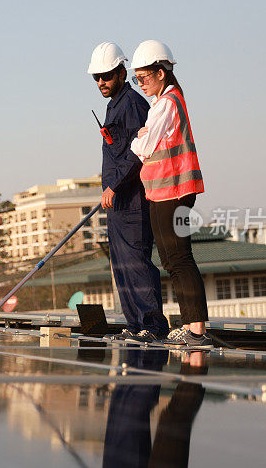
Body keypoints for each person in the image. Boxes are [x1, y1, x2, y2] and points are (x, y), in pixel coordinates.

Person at [128, 40, 211, 347]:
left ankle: (196, 329)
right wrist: (144, 137)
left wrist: (140, 139)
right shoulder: (167, 102)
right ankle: (192, 326)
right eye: (137, 78)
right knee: (173, 260)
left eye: (144, 78)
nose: (141, 84)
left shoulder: (165, 104)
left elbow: (144, 148)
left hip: (173, 192)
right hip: (165, 192)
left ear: (161, 73)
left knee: (179, 259)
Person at [87, 42, 169, 343]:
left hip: (132, 198)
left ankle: (154, 325)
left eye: (106, 76)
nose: (101, 83)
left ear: (122, 72)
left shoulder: (132, 103)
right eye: (97, 77)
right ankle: (135, 324)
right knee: (121, 265)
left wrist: (114, 185)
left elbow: (139, 154)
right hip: (117, 202)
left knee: (136, 262)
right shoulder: (113, 105)